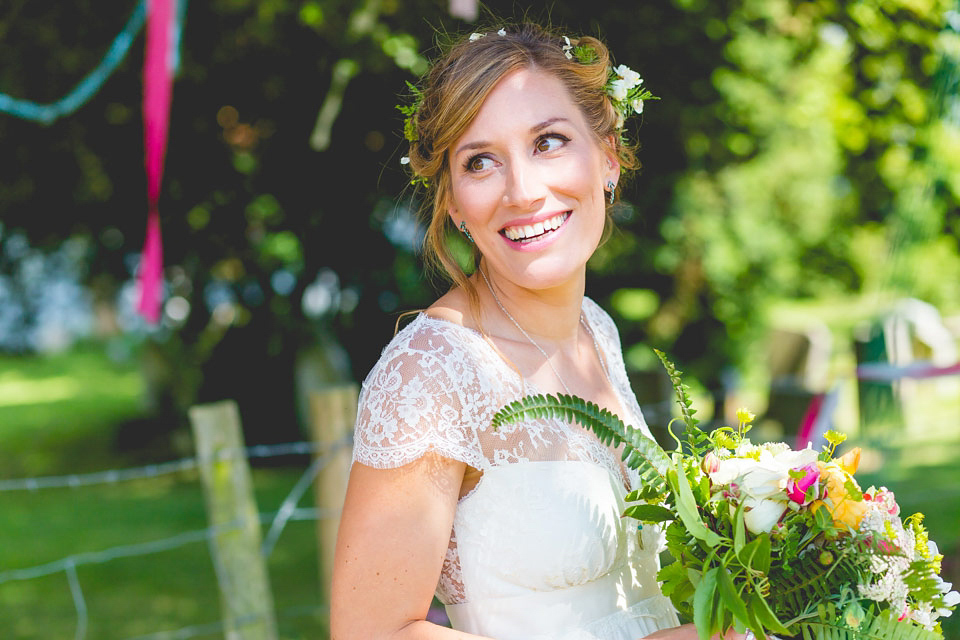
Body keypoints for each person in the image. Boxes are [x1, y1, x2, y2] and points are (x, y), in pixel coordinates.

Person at [331, 22, 748, 640]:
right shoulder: (430, 373)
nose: (523, 191)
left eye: (548, 142)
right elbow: (370, 633)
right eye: (480, 162)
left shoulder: (594, 331)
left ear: (607, 156)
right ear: (452, 202)